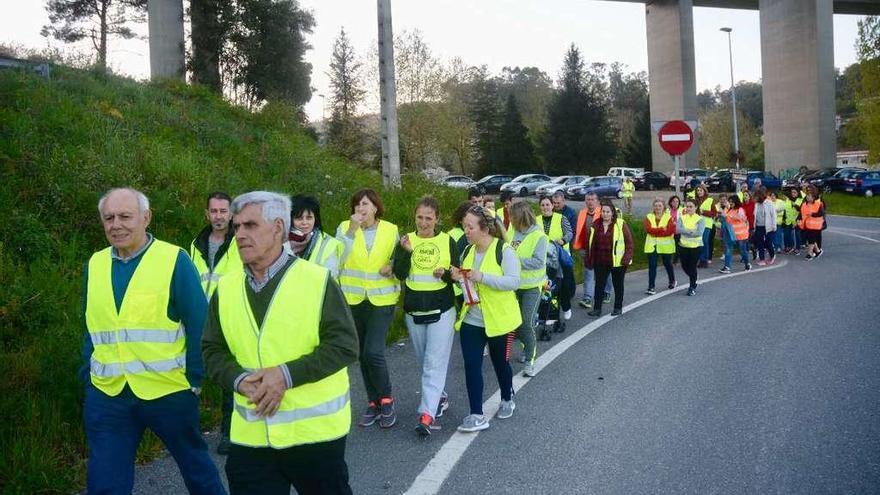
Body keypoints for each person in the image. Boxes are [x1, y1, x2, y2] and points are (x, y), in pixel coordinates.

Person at [203, 191, 358, 495]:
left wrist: (285, 375)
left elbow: (344, 345)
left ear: (277, 228)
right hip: (251, 437)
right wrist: (238, 379)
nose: (240, 235)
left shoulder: (317, 280)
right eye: (237, 228)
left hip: (314, 437)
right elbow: (211, 350)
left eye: (250, 226)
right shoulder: (227, 288)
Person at [82, 188, 224, 494]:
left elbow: (200, 322)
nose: (116, 224)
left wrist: (195, 380)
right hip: (109, 395)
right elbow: (91, 327)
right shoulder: (95, 264)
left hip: (168, 391)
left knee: (197, 470)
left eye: (125, 216)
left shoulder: (174, 260)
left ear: (146, 218)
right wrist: (88, 376)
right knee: (105, 482)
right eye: (109, 218)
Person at [450, 206, 521, 432]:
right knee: (472, 366)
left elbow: (513, 282)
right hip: (472, 318)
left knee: (500, 364)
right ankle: (476, 414)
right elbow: (467, 285)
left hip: (500, 320)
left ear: (484, 228)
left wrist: (482, 277)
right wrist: (457, 278)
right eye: (464, 227)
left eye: (470, 227)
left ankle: (507, 397)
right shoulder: (467, 252)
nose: (466, 231)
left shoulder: (504, 250)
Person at [392, 197, 459, 436]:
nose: (423, 222)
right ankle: (439, 396)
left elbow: (458, 273)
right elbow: (399, 273)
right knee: (424, 362)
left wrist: (447, 275)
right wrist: (407, 253)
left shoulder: (447, 241)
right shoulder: (406, 240)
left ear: (437, 219)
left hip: (442, 310)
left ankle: (427, 414)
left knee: (433, 362)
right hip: (414, 311)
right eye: (420, 217)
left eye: (428, 218)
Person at [337, 189, 401, 428]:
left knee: (374, 351)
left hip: (381, 300)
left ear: (375, 207)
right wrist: (351, 232)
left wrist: (393, 265)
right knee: (362, 353)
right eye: (357, 205)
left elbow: (401, 259)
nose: (360, 209)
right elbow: (338, 258)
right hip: (353, 299)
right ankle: (373, 402)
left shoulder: (391, 229)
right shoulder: (345, 228)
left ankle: (386, 399)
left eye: (365, 204)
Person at [189, 191, 242, 455]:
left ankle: (229, 432)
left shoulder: (239, 242)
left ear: (231, 213)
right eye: (214, 211)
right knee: (193, 375)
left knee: (228, 377)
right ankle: (189, 430)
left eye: (223, 211)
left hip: (230, 318)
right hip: (200, 319)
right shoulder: (195, 244)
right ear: (207, 214)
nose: (219, 216)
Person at [509, 201, 548, 377]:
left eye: (512, 217)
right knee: (515, 324)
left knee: (526, 322)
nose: (510, 219)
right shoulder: (513, 231)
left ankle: (530, 359)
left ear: (520, 218)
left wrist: (515, 261)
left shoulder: (539, 236)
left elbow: (539, 262)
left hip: (532, 287)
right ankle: (526, 349)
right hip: (514, 286)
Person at [586, 201, 634, 317]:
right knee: (599, 285)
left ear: (612, 213)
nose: (605, 214)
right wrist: (590, 259)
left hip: (618, 261)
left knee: (618, 285)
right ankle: (597, 309)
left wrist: (626, 258)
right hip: (600, 261)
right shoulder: (595, 224)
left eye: (608, 212)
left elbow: (629, 243)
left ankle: (618, 307)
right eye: (603, 211)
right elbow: (591, 243)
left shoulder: (621, 224)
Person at [288, 195, 343, 278]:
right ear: (290, 219)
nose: (304, 222)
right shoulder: (280, 240)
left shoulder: (328, 244)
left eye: (309, 218)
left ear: (315, 219)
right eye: (299, 218)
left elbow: (331, 276)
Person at [573, 192, 611, 309]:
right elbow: (578, 230)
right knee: (588, 273)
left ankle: (606, 292)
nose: (590, 202)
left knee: (604, 272)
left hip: (601, 248)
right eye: (588, 199)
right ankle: (588, 297)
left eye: (592, 199)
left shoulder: (603, 212)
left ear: (597, 201)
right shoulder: (582, 213)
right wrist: (578, 246)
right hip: (585, 248)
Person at [538, 196, 574, 319]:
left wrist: (563, 240)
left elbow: (569, 233)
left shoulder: (561, 218)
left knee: (562, 285)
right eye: (542, 205)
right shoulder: (536, 221)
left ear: (552, 206)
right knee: (547, 286)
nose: (545, 207)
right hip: (543, 258)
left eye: (547, 204)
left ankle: (566, 307)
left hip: (560, 257)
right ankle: (549, 314)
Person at [643, 198, 676, 295]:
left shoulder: (668, 217)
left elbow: (670, 231)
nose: (657, 207)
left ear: (663, 207)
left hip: (665, 246)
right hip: (652, 246)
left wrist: (656, 231)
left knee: (667, 264)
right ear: (653, 207)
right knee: (652, 266)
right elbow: (648, 229)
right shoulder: (649, 216)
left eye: (660, 206)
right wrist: (662, 229)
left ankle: (672, 280)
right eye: (656, 205)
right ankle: (651, 287)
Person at [677, 198, 705, 296]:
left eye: (691, 206)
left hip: (696, 246)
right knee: (684, 266)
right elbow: (678, 230)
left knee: (692, 267)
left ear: (695, 207)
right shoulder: (682, 217)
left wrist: (685, 230)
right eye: (687, 206)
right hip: (683, 245)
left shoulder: (700, 219)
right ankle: (694, 278)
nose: (688, 208)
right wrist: (690, 231)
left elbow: (699, 232)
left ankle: (692, 286)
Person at [719, 194, 751, 273]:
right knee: (728, 249)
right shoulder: (729, 210)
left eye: (732, 202)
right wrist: (725, 209)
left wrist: (728, 216)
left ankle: (747, 264)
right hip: (731, 234)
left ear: (736, 202)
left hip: (741, 234)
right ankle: (727, 267)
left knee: (742, 250)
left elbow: (741, 218)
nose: (731, 203)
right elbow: (724, 218)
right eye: (729, 202)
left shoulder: (740, 209)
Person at [752, 187, 778, 266]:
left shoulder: (769, 203)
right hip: (759, 226)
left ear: (760, 196)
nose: (754, 198)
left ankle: (772, 255)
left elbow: (773, 215)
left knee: (768, 242)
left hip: (769, 226)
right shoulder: (756, 204)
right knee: (760, 243)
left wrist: (774, 226)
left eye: (756, 197)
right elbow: (755, 215)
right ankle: (762, 259)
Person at [799, 186, 826, 260]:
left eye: (809, 196)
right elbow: (801, 212)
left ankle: (810, 253)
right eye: (807, 196)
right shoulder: (804, 204)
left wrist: (813, 214)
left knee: (811, 239)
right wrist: (798, 219)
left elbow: (821, 213)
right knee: (809, 239)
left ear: (813, 197)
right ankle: (817, 251)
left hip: (816, 225)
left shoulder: (818, 203)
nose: (808, 197)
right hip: (807, 225)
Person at [694, 185, 716, 268]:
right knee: (699, 242)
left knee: (704, 241)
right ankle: (700, 260)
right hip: (697, 224)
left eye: (700, 190)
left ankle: (704, 260)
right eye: (698, 190)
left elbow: (714, 213)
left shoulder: (710, 200)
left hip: (707, 224)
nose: (699, 192)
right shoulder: (695, 200)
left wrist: (704, 212)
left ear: (704, 191)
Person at [784, 188, 802, 255]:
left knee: (797, 235)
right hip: (789, 220)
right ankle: (789, 246)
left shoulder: (800, 200)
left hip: (797, 220)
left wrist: (795, 205)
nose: (793, 194)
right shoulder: (788, 199)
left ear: (798, 193)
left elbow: (801, 210)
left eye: (795, 192)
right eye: (792, 192)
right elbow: (786, 209)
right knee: (786, 234)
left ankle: (798, 248)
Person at [668, 195, 682, 264]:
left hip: (678, 231)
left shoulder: (682, 210)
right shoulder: (667, 211)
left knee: (677, 246)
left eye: (677, 201)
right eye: (673, 201)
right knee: (670, 246)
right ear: (671, 203)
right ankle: (670, 259)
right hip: (670, 231)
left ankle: (675, 260)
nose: (675, 203)